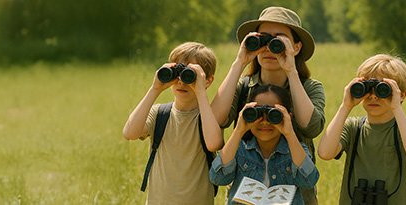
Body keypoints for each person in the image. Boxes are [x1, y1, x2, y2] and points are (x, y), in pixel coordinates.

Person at [211, 7, 324, 203]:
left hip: (297, 196)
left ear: (296, 47)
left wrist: (291, 71)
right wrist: (240, 62)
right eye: (263, 39)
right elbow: (217, 119)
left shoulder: (309, 88)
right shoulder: (244, 87)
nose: (269, 48)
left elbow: (310, 127)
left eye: (278, 41)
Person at [318, 54, 406, 204]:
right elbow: (325, 153)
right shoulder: (353, 127)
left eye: (383, 89)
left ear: (401, 95)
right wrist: (346, 106)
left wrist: (396, 106)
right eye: (368, 88)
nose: (374, 96)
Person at [122, 42, 223, 204]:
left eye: (190, 75)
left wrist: (200, 91)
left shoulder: (208, 118)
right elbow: (129, 133)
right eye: (178, 72)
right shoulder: (159, 114)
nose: (182, 82)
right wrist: (155, 89)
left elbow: (214, 143)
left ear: (208, 80)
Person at [210, 85, 319, 205]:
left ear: (288, 116)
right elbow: (218, 177)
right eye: (258, 114)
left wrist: (289, 133)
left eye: (274, 115)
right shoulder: (239, 148)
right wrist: (239, 130)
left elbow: (309, 180)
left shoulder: (296, 150)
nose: (265, 121)